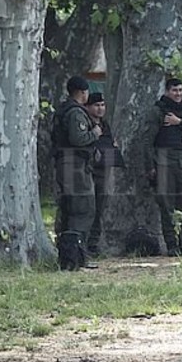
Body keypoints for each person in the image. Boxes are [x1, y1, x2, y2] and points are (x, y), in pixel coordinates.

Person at [52, 76, 100, 269]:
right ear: (82, 92)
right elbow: (78, 138)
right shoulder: (75, 113)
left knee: (70, 209)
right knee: (82, 209)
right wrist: (94, 134)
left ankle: (69, 256)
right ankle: (75, 256)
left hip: (67, 165)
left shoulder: (63, 110)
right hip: (76, 167)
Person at [151, 77, 182, 256]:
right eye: (174, 90)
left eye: (180, 90)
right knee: (166, 205)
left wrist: (180, 123)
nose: (178, 94)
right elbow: (148, 140)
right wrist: (150, 166)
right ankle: (171, 244)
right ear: (167, 91)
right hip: (164, 159)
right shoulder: (158, 111)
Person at [85, 92, 123, 256]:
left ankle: (93, 244)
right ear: (88, 107)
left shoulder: (105, 125)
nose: (100, 109)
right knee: (87, 206)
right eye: (96, 105)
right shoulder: (86, 123)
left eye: (102, 105)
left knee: (99, 206)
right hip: (87, 170)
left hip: (104, 170)